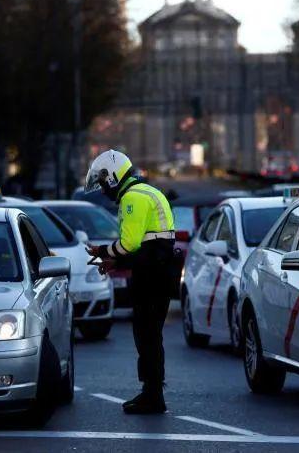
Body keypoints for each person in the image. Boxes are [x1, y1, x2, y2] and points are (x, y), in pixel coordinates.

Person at [83, 149, 175, 414]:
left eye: (102, 183)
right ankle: (151, 393)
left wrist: (103, 252)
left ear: (112, 177)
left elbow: (130, 243)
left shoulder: (132, 198)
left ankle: (153, 396)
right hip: (157, 272)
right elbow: (147, 246)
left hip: (152, 278)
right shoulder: (149, 191)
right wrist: (117, 262)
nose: (102, 190)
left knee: (146, 336)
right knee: (149, 335)